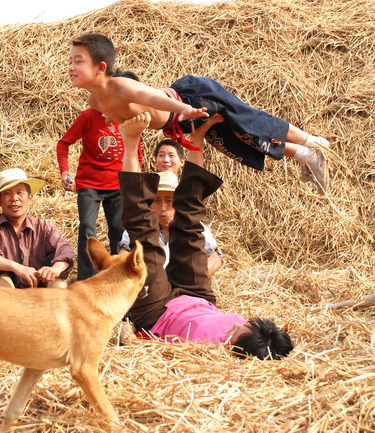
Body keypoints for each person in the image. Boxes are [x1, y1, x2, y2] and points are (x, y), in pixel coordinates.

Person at [117, 113, 293, 359]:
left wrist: (134, 330)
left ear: (236, 344)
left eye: (239, 330)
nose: (238, 323)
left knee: (144, 234)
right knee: (189, 222)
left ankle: (131, 138)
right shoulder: (253, 331)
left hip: (157, 312)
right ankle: (196, 139)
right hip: (196, 297)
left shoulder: (207, 349)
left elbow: (160, 346)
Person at [68, 33, 330, 194]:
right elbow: (113, 114)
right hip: (180, 124)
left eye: (78, 61)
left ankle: (313, 142)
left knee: (251, 123)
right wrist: (112, 119)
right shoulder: (95, 100)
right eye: (70, 61)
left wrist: (186, 109)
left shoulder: (121, 86)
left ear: (101, 67)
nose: (71, 67)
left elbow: (151, 97)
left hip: (194, 99)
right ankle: (306, 156)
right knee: (238, 141)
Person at [57, 69, 143, 280]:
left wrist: (134, 183)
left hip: (117, 184)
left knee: (118, 228)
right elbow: (64, 143)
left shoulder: (130, 119)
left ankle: (116, 274)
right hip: (89, 183)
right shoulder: (88, 116)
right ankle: (86, 278)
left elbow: (137, 153)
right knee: (87, 227)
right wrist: (64, 171)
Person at [0, 168, 75, 289]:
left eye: (20, 193)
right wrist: (16, 267)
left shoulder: (44, 227)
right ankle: (9, 306)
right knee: (1, 277)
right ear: (0, 201)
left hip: (40, 288)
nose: (14, 198)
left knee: (58, 282)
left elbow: (66, 250)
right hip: (4, 292)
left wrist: (55, 269)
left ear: (30, 198)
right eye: (7, 193)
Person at [118, 170, 223, 278]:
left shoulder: (193, 227)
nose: (163, 208)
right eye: (157, 201)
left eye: (169, 200)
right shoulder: (140, 227)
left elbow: (215, 258)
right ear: (149, 204)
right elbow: (124, 254)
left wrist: (195, 279)